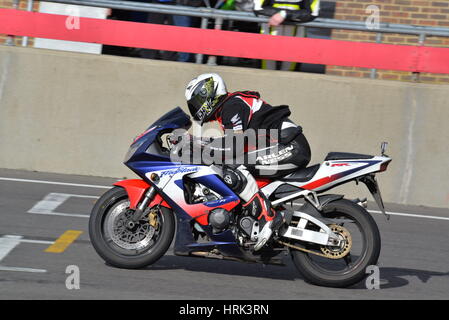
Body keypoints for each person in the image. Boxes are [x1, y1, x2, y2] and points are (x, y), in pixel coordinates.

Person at [183, 73, 311, 251]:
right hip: (281, 145)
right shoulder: (228, 109)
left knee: (234, 170)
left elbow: (234, 146)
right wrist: (201, 144)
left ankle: (268, 217)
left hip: (289, 146)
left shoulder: (231, 105)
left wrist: (201, 148)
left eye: (196, 102)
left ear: (208, 95)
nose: (195, 107)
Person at [254, 0, 320, 70]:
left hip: (296, 35)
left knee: (290, 73)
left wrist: (284, 14)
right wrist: (280, 15)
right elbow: (257, 8)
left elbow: (313, 13)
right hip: (268, 33)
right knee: (265, 71)